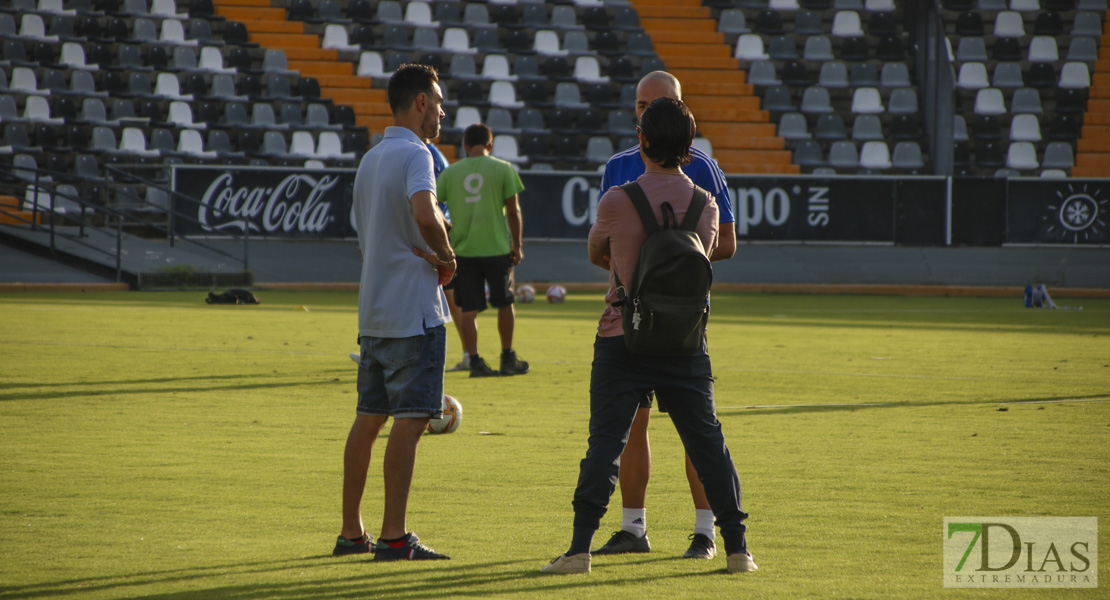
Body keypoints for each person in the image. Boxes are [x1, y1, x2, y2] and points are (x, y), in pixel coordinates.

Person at [541, 97, 755, 575]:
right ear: (690, 147)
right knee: (708, 445)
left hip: (623, 337)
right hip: (684, 341)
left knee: (605, 445)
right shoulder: (707, 205)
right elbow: (711, 254)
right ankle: (738, 548)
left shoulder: (616, 200)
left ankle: (579, 550)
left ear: (641, 141)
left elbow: (598, 252)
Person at [593, 71, 736, 560]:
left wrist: (668, 263)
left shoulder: (704, 169)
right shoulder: (615, 168)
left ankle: (705, 531)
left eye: (656, 104)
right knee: (635, 423)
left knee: (694, 428)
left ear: (681, 111)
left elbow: (729, 244)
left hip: (680, 318)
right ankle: (633, 528)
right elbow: (607, 240)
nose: (645, 113)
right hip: (631, 317)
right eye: (639, 104)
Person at [334, 64, 453, 561]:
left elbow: (366, 238)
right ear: (421, 103)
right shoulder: (416, 154)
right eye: (439, 103)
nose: (442, 112)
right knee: (410, 421)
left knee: (367, 419)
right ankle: (394, 536)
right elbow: (425, 212)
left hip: (373, 312)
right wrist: (448, 258)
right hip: (414, 312)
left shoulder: (370, 159)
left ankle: (351, 533)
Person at [436, 123, 529, 378]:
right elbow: (513, 211)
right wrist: (517, 245)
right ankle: (507, 358)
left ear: (465, 146)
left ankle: (475, 361)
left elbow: (433, 206)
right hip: (496, 248)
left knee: (469, 308)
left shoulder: (451, 173)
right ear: (490, 145)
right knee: (505, 302)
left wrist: (447, 231)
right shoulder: (503, 169)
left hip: (463, 249)